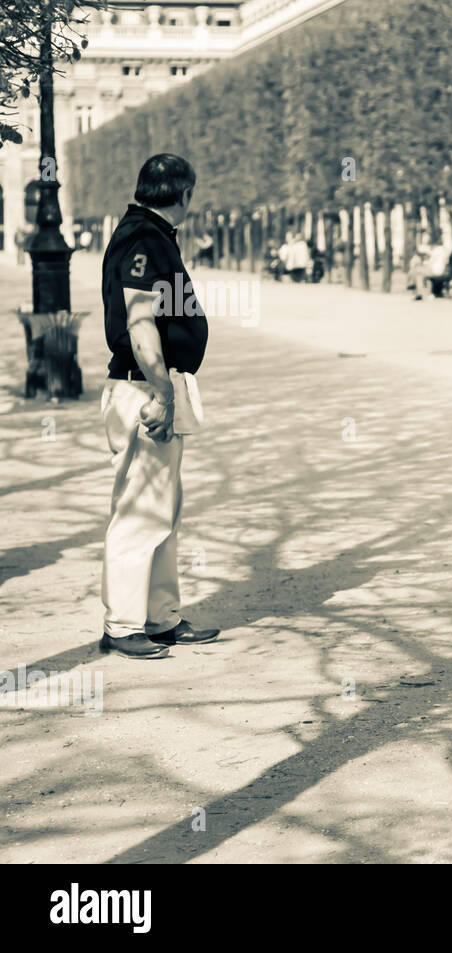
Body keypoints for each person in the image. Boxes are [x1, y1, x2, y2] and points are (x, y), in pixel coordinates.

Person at [99, 153, 219, 659]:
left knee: (162, 510)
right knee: (141, 511)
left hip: (149, 383)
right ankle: (123, 625)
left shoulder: (148, 233)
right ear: (185, 194)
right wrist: (163, 393)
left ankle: (160, 618)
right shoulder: (144, 240)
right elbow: (140, 320)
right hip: (145, 388)